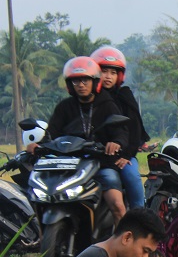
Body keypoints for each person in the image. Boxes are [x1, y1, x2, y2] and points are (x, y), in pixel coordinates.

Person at [29, 56, 129, 221]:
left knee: (117, 205)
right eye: (76, 81)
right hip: (69, 164)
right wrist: (38, 144)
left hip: (100, 163)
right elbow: (52, 132)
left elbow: (120, 131)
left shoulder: (107, 105)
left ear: (94, 82)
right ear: (70, 85)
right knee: (40, 197)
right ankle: (41, 238)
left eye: (85, 80)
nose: (81, 85)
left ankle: (124, 244)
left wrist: (116, 142)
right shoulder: (65, 107)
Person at [91, 46, 150, 210]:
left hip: (123, 154)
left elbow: (135, 129)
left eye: (113, 72)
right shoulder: (89, 99)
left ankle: (140, 214)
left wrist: (127, 155)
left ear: (119, 75)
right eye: (104, 71)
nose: (108, 76)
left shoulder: (124, 95)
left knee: (131, 175)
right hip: (94, 155)